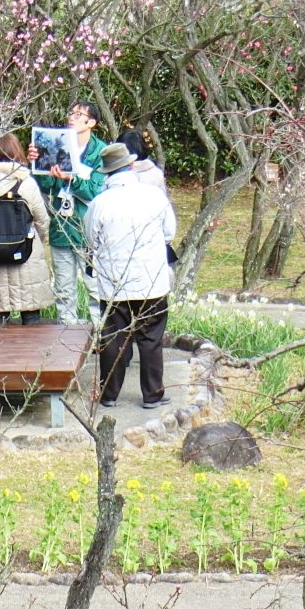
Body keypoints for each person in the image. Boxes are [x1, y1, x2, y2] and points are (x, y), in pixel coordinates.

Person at [84, 143, 177, 409]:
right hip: (151, 280)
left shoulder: (99, 203)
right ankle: (152, 393)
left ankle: (109, 394)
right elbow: (168, 232)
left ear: (107, 173)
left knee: (114, 337)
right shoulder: (154, 196)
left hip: (114, 282)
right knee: (151, 337)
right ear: (131, 165)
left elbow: (91, 239)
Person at [28, 101, 106, 325]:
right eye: (71, 113)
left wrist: (71, 178)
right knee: (63, 289)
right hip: (61, 226)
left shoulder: (100, 152)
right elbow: (45, 185)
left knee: (95, 287)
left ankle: (100, 337)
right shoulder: (57, 143)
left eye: (78, 114)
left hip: (88, 229)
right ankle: (67, 338)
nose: (71, 117)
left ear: (91, 122)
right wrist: (37, 162)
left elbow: (95, 190)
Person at [0, 133, 54, 325]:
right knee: (31, 318)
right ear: (17, 152)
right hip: (26, 255)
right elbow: (41, 219)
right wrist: (42, 241)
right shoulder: (26, 183)